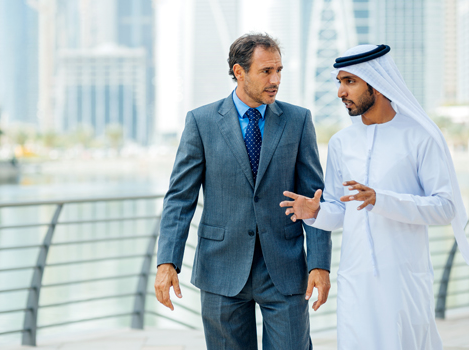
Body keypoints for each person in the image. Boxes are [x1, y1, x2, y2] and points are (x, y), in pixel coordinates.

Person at [280, 44, 469, 350]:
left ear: (377, 85)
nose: (341, 92)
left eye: (350, 82)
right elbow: (339, 212)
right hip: (356, 280)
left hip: (404, 279)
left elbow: (445, 207)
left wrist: (383, 200)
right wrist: (314, 212)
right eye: (339, 82)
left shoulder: (420, 136)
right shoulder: (342, 143)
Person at [154, 33, 332, 350]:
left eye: (279, 70)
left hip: (285, 267)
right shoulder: (202, 121)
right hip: (221, 268)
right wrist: (167, 262)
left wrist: (319, 263)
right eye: (266, 71)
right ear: (239, 72)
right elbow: (180, 199)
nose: (275, 79)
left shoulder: (298, 120)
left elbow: (314, 199)